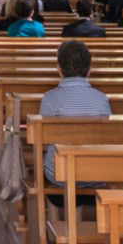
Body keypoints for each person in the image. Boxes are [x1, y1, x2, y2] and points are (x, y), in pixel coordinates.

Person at [37, 40, 111, 183]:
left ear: (59, 69)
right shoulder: (102, 99)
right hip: (97, 174)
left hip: (58, 174)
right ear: (89, 70)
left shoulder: (49, 98)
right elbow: (106, 138)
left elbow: (44, 142)